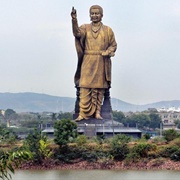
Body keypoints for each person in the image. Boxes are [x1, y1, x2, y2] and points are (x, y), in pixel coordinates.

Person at [71, 5, 117, 121]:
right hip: (88, 58)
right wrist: (74, 19)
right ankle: (82, 113)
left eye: (97, 13)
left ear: (101, 15)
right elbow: (77, 33)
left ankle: (97, 112)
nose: (94, 15)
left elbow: (113, 45)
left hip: (101, 60)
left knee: (99, 88)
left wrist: (108, 51)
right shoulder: (85, 27)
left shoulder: (107, 30)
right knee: (84, 85)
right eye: (92, 13)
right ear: (90, 15)